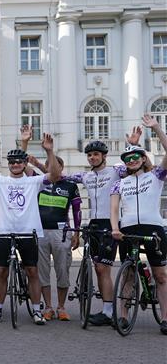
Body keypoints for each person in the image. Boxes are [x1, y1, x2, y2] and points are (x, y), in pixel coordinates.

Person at [0, 130, 60, 325]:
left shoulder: (33, 181)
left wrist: (49, 152)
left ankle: (38, 311)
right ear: (9, 165)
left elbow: (55, 175)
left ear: (24, 164)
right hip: (3, 233)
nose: (15, 165)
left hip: (28, 233)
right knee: (3, 271)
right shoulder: (0, 181)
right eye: (12, 162)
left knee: (32, 272)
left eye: (19, 162)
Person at [61, 127, 141, 326]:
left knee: (103, 267)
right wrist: (38, 163)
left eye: (96, 154)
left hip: (111, 223)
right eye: (89, 155)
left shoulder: (116, 171)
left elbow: (134, 166)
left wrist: (133, 145)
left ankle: (110, 311)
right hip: (94, 224)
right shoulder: (85, 176)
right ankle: (107, 310)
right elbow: (59, 177)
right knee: (99, 269)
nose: (92, 157)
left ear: (104, 156)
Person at [110, 115, 167, 335]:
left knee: (161, 275)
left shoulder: (156, 176)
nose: (131, 160)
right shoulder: (119, 183)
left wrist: (157, 128)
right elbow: (114, 209)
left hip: (153, 229)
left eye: (135, 156)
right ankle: (123, 316)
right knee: (128, 274)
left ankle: (164, 318)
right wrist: (115, 228)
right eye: (127, 158)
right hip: (127, 230)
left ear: (143, 159)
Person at [26, 153, 81, 321]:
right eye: (48, 165)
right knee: (42, 272)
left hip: (62, 233)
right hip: (40, 232)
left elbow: (77, 210)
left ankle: (62, 307)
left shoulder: (70, 185)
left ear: (61, 168)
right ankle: (48, 307)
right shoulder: (39, 181)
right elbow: (24, 168)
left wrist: (76, 232)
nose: (52, 168)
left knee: (62, 271)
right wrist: (25, 146)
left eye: (55, 166)